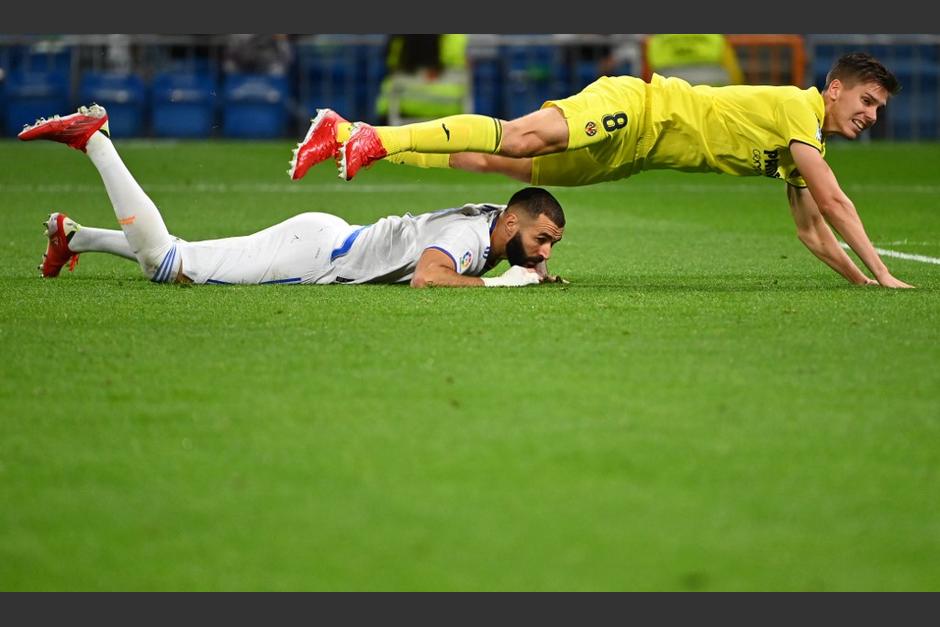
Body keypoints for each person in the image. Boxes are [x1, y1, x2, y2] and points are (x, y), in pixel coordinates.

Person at [289, 52, 912, 289]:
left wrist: (858, 283)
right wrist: (884, 276)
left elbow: (811, 232)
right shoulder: (798, 112)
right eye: (865, 102)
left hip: (630, 157)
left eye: (878, 110)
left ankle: (339, 132)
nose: (871, 116)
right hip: (635, 110)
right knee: (521, 133)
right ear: (833, 90)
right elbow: (836, 206)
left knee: (494, 159)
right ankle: (376, 137)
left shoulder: (804, 149)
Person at [18, 105, 565, 288]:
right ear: (513, 223)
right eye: (542, 240)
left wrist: (530, 268)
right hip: (315, 257)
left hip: (327, 237)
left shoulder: (497, 224)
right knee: (167, 264)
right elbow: (429, 275)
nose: (545, 252)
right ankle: (93, 139)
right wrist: (507, 285)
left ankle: (75, 237)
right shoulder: (472, 237)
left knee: (186, 256)